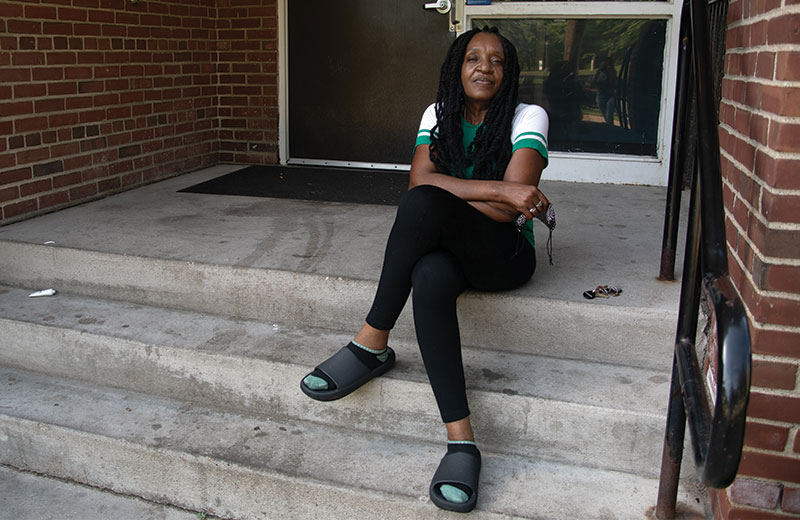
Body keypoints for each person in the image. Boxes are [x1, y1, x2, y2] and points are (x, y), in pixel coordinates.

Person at [300, 26, 549, 513]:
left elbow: (502, 217)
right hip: (452, 248)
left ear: (509, 71)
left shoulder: (527, 116)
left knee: (423, 207)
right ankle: (462, 441)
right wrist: (501, 189)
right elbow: (431, 183)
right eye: (473, 58)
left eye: (497, 61)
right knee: (429, 274)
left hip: (505, 254)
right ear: (457, 67)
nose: (485, 68)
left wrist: (460, 198)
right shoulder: (438, 114)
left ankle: (371, 342)